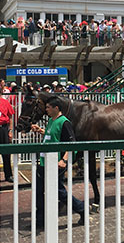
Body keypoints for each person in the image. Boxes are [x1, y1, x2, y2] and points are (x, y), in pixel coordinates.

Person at [31, 96, 85, 228]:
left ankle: (81, 208)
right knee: (39, 192)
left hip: (56, 163)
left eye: (49, 107)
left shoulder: (64, 122)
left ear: (56, 108)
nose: (47, 110)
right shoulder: (50, 121)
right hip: (44, 162)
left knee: (59, 191)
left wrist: (64, 160)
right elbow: (52, 136)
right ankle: (39, 221)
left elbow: (72, 143)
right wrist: (41, 131)